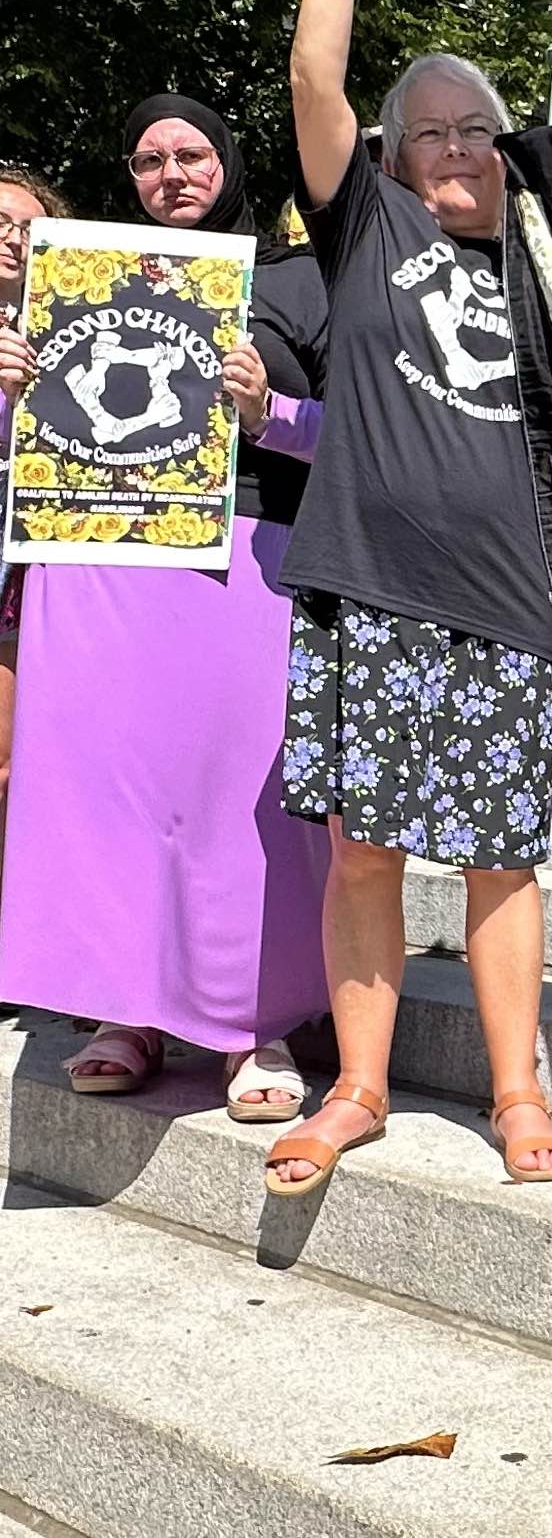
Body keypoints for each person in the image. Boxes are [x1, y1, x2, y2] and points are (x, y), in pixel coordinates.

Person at [260, 0, 552, 1196]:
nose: (454, 149)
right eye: (428, 132)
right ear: (391, 160)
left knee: (503, 859)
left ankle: (517, 1090)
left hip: (506, 599)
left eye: (477, 131)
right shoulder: (369, 225)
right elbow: (314, 78)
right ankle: (362, 1085)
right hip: (369, 582)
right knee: (366, 850)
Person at [0, 105, 329, 1116]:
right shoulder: (71, 284)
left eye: (191, 155)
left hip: (243, 552)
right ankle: (123, 1009)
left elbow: (356, 436)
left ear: (228, 164)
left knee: (242, 800)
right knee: (103, 789)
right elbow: (30, 458)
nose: (170, 174)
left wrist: (267, 414)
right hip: (95, 559)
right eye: (148, 159)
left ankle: (254, 1026)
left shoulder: (301, 283)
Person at [0, 162, 70, 950]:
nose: (13, 237)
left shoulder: (65, 323)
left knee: (19, 764)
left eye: (25, 225)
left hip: (39, 567)